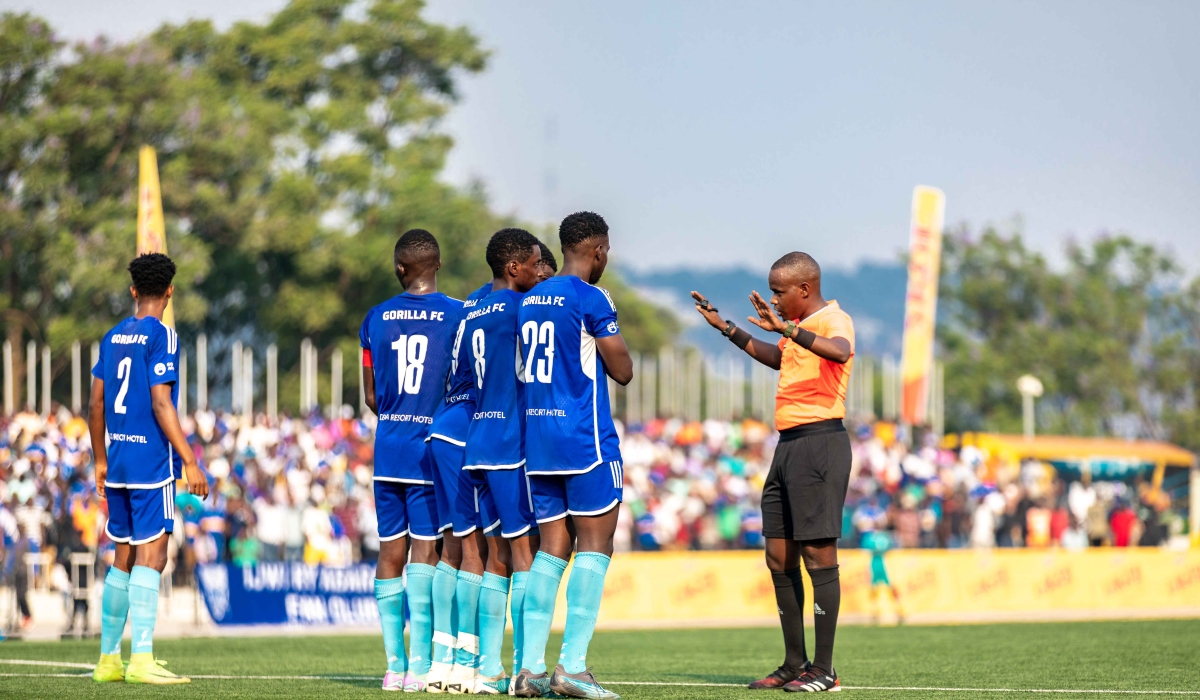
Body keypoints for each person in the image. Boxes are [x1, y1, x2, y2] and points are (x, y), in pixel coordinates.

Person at [692, 250, 854, 693]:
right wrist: (727, 329)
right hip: (788, 447)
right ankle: (794, 663)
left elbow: (840, 353)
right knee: (779, 557)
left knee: (818, 556)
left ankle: (825, 670)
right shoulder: (797, 332)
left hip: (821, 442)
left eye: (780, 292)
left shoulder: (832, 319)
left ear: (805, 288)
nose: (775, 300)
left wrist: (789, 329)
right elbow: (780, 357)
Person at [515, 212, 633, 700]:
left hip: (538, 443)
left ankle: (529, 670)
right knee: (595, 546)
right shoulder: (590, 296)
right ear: (599, 250)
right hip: (584, 439)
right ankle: (574, 668)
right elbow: (621, 369)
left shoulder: (528, 301)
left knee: (550, 551)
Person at [88, 253, 209, 684]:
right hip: (150, 462)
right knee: (153, 555)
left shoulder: (112, 336)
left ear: (134, 290)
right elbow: (161, 402)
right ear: (170, 291)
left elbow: (96, 403)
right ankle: (140, 659)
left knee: (122, 555)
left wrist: (99, 458)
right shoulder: (164, 336)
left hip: (117, 459)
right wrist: (191, 461)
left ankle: (107, 662)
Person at [360, 229, 461, 692]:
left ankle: (393, 666)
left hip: (388, 449)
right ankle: (421, 666)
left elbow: (369, 395)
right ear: (436, 264)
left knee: (389, 552)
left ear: (400, 268)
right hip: (430, 450)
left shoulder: (375, 317)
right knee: (426, 551)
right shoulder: (459, 315)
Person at [460, 228, 545, 694]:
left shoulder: (474, 309)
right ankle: (525, 668)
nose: (540, 273)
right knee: (523, 554)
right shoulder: (520, 309)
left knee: (497, 557)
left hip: (479, 439)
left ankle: (486, 668)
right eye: (535, 264)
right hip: (512, 443)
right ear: (514, 267)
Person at [424, 275, 495, 693]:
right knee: (478, 550)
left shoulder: (472, 304)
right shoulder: (509, 304)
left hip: (443, 425)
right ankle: (469, 668)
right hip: (469, 429)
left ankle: (440, 665)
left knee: (452, 548)